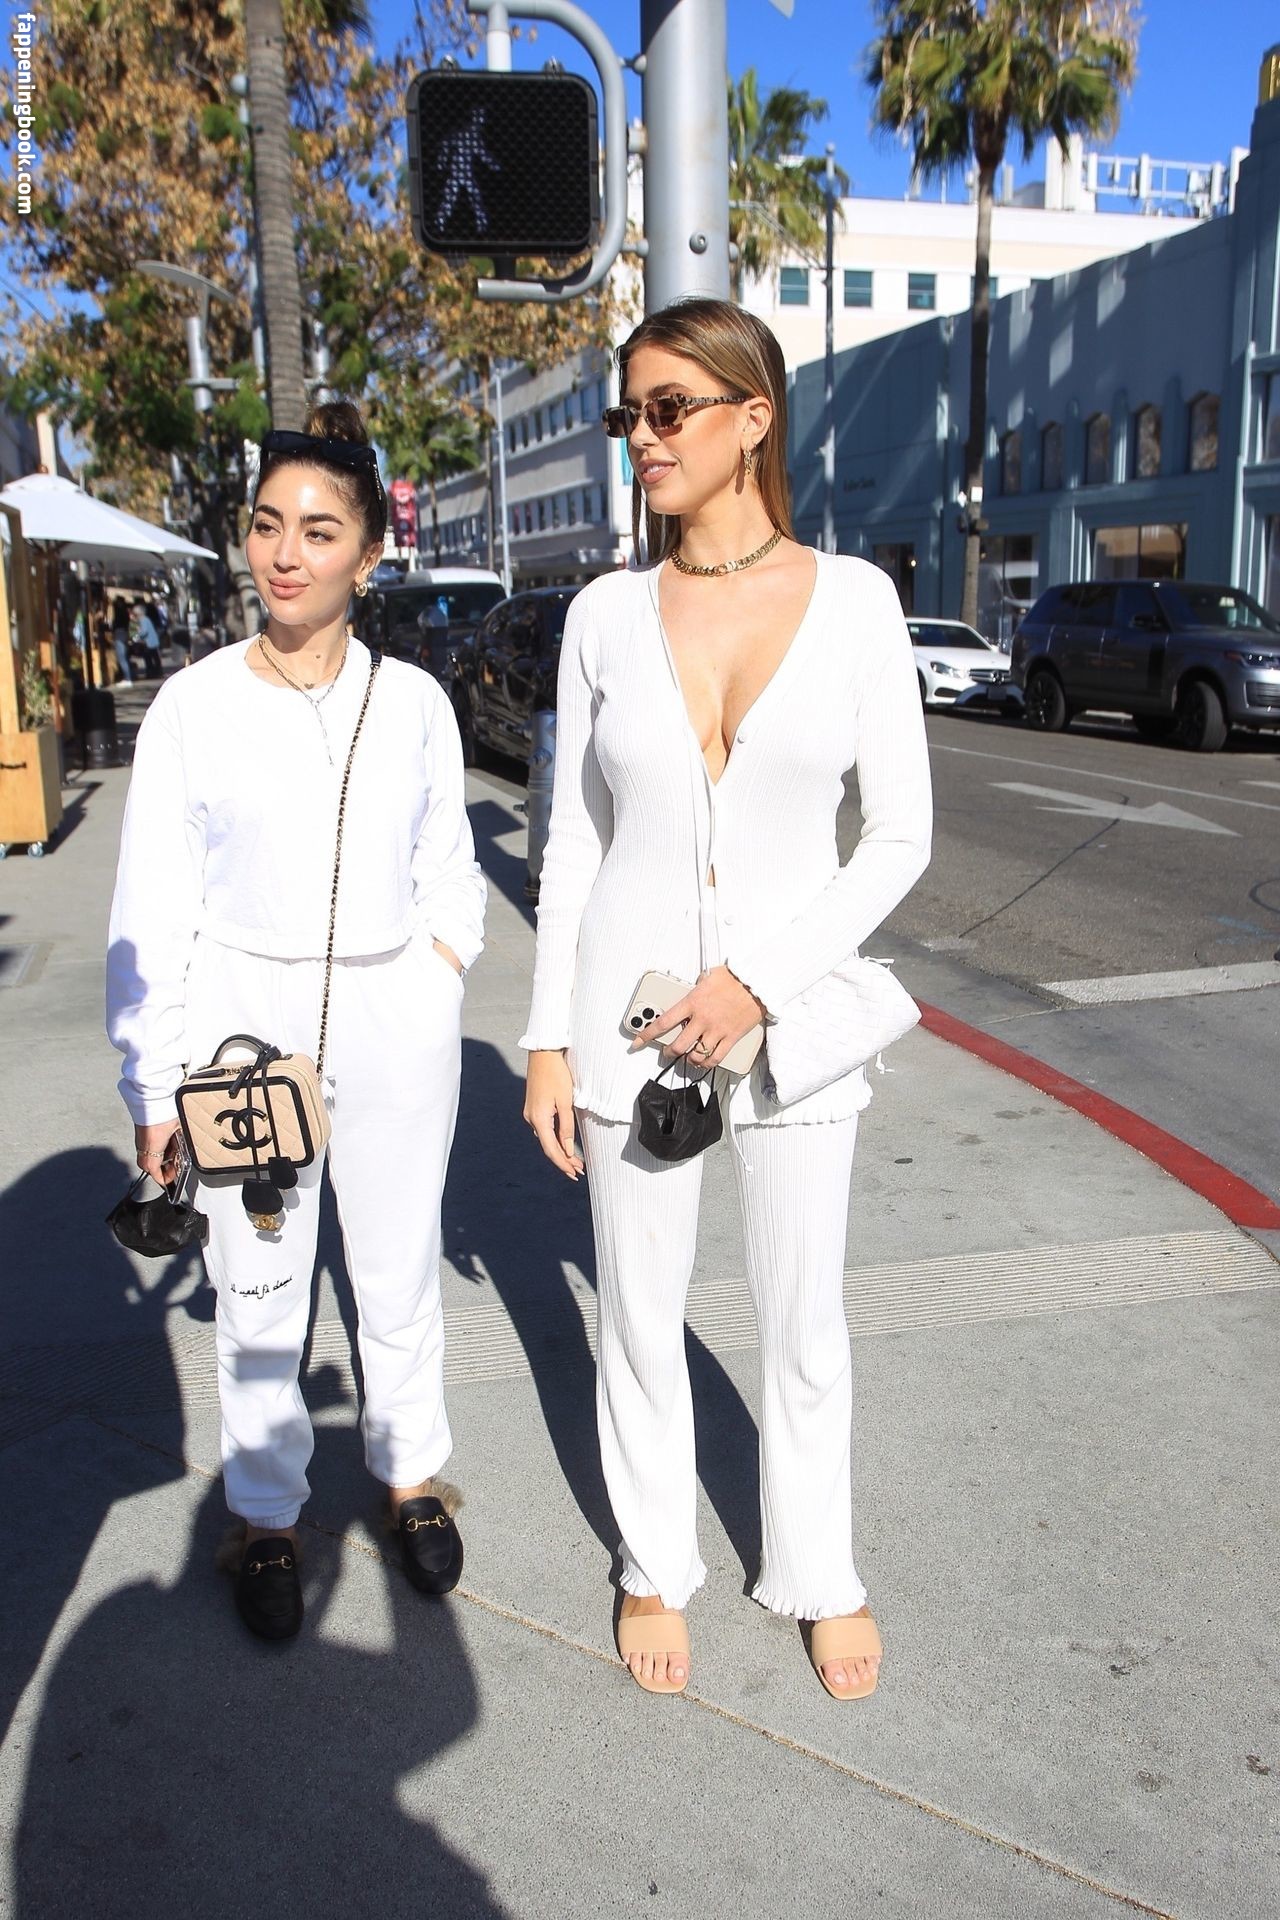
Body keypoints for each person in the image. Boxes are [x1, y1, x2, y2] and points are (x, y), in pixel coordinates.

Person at [521, 299, 932, 1700]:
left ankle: (818, 1568)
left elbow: (899, 838)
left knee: (802, 1314)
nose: (641, 436)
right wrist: (545, 1038)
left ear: (752, 417)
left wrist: (756, 983)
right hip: (626, 1018)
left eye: (667, 408)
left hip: (791, 1021)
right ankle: (654, 1558)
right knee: (637, 1311)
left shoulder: (858, 601)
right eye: (627, 412)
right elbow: (573, 842)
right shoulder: (600, 615)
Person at [107, 401, 486, 1641]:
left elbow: (449, 868)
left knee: (396, 1265)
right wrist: (153, 1081)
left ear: (367, 555)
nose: (284, 553)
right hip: (241, 1026)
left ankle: (411, 1478)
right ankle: (265, 1514)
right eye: (267, 524)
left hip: (392, 1015)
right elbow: (151, 906)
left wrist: (433, 975)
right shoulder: (195, 705)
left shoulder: (413, 702)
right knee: (259, 1281)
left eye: (319, 532)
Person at [134, 601, 163, 679]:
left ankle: (152, 673)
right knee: (155, 658)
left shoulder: (143, 620)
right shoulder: (146, 619)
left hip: (149, 643)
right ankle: (157, 672)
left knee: (149, 659)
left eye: (136, 614)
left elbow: (144, 631)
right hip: (152, 642)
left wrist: (138, 634)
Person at [110, 598, 132, 685]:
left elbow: (116, 624)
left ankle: (127, 678)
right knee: (124, 657)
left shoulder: (120, 613)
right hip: (123, 633)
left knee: (121, 657)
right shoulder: (125, 612)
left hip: (120, 634)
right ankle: (127, 677)